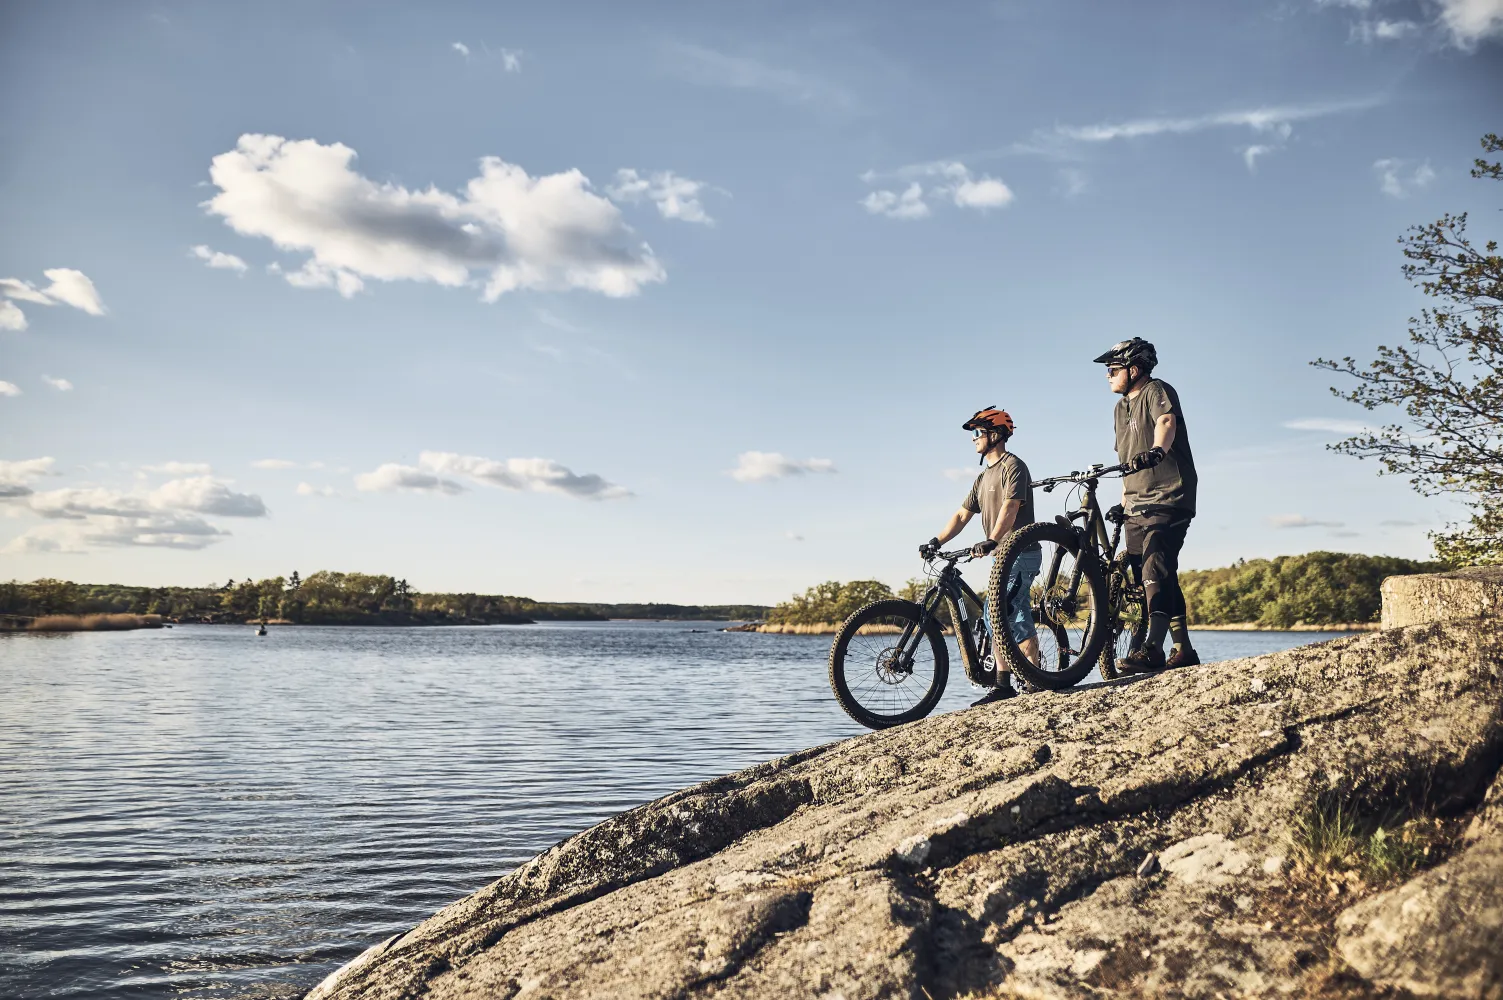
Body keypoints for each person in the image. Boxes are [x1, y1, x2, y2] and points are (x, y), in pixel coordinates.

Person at [919, 407, 1038, 705]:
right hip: (1003, 556)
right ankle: (1034, 675)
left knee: (993, 613)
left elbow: (1011, 508)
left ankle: (1003, 685)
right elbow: (962, 515)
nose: (973, 439)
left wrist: (991, 540)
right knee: (1017, 616)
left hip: (1020, 553)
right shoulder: (983, 477)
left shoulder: (1014, 467)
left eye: (977, 433)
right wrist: (936, 540)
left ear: (995, 435)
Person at [1095, 338, 1200, 672]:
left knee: (1155, 563)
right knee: (1151, 575)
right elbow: (1125, 458)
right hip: (1136, 501)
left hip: (1169, 494)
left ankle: (1152, 648)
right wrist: (1123, 501)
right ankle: (1182, 649)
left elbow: (1166, 423)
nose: (1108, 376)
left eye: (1113, 370)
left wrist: (1158, 450)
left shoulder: (1156, 390)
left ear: (1134, 368)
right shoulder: (1119, 408)